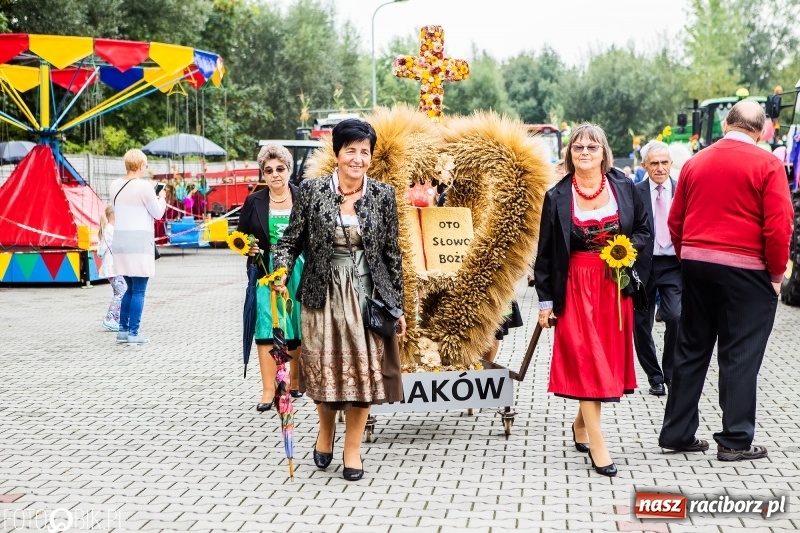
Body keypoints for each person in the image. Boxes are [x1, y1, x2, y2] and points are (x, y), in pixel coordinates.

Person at [658, 101, 793, 461]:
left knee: (690, 349)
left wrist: (689, 255)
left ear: (727, 123)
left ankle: (678, 432)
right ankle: (734, 440)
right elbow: (778, 226)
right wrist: (776, 274)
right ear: (762, 130)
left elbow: (676, 219)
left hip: (698, 264)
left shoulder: (695, 163)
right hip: (747, 271)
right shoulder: (767, 164)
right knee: (739, 355)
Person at [273, 118, 406, 481]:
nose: (358, 158)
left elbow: (392, 255)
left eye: (365, 152)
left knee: (362, 376)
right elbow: (289, 242)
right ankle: (326, 432)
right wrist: (281, 271)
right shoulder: (313, 191)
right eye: (351, 150)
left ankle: (352, 449)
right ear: (337, 153)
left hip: (366, 296)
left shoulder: (382, 195)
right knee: (325, 373)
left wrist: (398, 306)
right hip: (321, 295)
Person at [534, 123, 650, 477]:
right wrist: (544, 303)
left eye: (592, 147)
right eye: (578, 147)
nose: (584, 153)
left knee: (603, 361)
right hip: (573, 285)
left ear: (604, 152)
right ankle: (599, 445)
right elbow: (546, 255)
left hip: (613, 286)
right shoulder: (556, 196)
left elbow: (644, 229)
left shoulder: (624, 187)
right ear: (569, 153)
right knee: (587, 360)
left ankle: (580, 424)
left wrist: (625, 251)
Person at [237, 144, 304, 412]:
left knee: (295, 325)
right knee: (266, 326)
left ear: (288, 170)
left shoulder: (303, 196)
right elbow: (240, 235)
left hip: (299, 267)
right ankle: (269, 390)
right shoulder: (254, 201)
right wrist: (248, 247)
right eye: (268, 170)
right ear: (263, 174)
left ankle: (296, 381)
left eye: (280, 169)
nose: (275, 174)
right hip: (265, 269)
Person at [633, 141, 679, 397]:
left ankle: (670, 372)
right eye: (654, 163)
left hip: (673, 264)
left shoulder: (682, 190)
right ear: (644, 166)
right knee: (641, 324)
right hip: (642, 266)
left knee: (675, 316)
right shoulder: (635, 192)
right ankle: (654, 376)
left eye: (664, 163)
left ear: (671, 164)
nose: (660, 168)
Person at [108, 149, 166, 345]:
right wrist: (162, 198)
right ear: (141, 165)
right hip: (139, 244)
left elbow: (119, 210)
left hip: (121, 243)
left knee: (128, 289)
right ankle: (134, 333)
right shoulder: (145, 186)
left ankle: (123, 331)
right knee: (139, 291)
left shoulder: (114, 185)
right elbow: (157, 213)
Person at [98, 205, 127, 332]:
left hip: (112, 266)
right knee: (122, 291)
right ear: (114, 215)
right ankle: (110, 317)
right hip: (112, 266)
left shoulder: (109, 229)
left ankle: (115, 318)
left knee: (119, 292)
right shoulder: (110, 230)